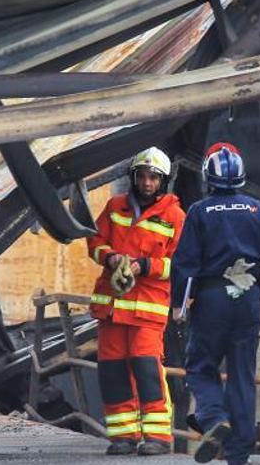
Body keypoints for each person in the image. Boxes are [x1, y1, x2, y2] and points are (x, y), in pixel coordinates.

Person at [171, 142, 260, 464]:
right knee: (242, 375)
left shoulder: (198, 212)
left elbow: (184, 265)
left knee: (200, 366)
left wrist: (180, 306)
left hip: (211, 300)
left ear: (207, 178)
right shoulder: (258, 210)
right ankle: (239, 453)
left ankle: (213, 418)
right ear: (241, 177)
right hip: (248, 301)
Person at [87, 146, 185, 456]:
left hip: (146, 311)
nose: (146, 183)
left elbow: (180, 264)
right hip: (113, 310)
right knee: (112, 372)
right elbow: (94, 242)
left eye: (153, 178)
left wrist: (145, 266)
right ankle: (123, 436)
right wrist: (112, 257)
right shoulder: (115, 207)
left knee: (147, 371)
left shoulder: (175, 216)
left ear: (163, 181)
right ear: (133, 177)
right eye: (142, 177)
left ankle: (157, 437)